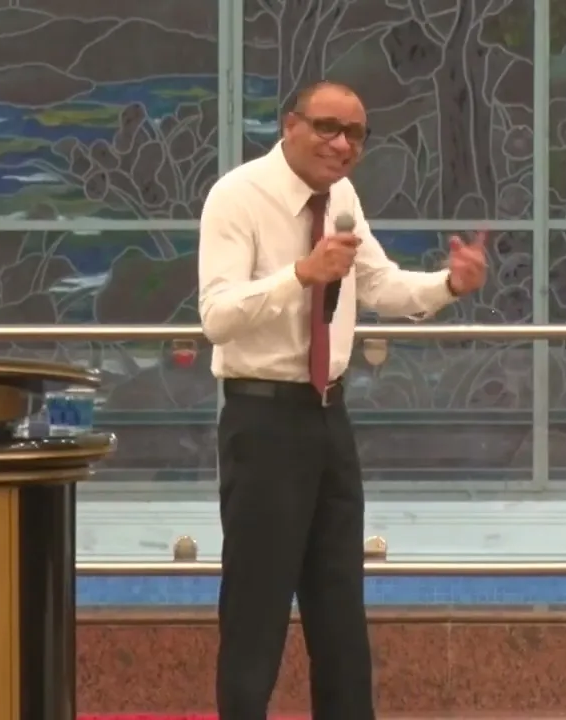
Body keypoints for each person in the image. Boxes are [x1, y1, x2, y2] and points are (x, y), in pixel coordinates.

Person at [196, 80, 488, 720]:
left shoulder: (342, 197)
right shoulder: (238, 196)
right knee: (256, 608)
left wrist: (449, 284)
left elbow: (379, 284)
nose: (341, 144)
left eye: (355, 134)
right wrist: (300, 275)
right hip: (262, 418)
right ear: (290, 125)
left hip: (329, 416)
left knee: (338, 606)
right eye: (327, 127)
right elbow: (216, 317)